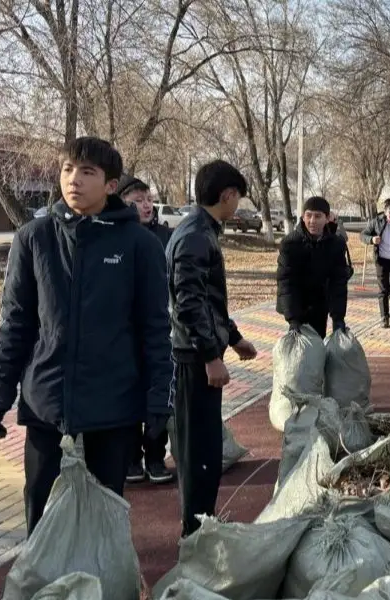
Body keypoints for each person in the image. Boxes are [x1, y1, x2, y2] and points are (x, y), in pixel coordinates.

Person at [0, 137, 172, 536]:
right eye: (68, 169)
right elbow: (16, 327)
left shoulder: (139, 244)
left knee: (104, 524)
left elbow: (155, 328)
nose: (74, 180)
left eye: (87, 172)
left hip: (113, 409)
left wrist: (160, 396)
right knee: (43, 521)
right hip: (47, 409)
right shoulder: (34, 239)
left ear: (110, 184)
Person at [167, 159, 258, 538]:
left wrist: (233, 339)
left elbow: (209, 301)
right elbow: (188, 302)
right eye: (238, 197)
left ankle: (203, 522)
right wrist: (210, 355)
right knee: (198, 452)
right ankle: (196, 532)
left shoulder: (202, 231)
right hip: (192, 359)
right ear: (227, 195)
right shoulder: (194, 236)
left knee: (204, 449)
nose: (239, 205)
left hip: (200, 352)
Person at [118, 174, 175, 484]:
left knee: (159, 395)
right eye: (137, 201)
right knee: (128, 396)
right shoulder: (115, 238)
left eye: (148, 199)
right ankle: (131, 460)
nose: (146, 206)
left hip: (159, 329)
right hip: (124, 333)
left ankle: (155, 455)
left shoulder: (165, 238)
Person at [276, 196, 350, 338]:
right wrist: (293, 319)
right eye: (308, 216)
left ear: (327, 218)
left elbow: (338, 282)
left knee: (317, 347)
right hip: (297, 304)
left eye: (317, 216)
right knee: (300, 352)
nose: (312, 221)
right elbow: (286, 282)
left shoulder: (336, 244)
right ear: (303, 217)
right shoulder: (290, 244)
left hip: (320, 304)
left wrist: (338, 318)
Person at [360, 199, 390, 328]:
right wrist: (371, 239)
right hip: (381, 260)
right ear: (385, 212)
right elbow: (363, 235)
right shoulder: (376, 222)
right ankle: (384, 318)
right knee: (383, 290)